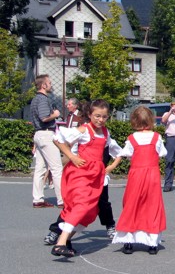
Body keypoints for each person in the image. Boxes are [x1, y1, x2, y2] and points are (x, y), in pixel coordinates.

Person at [50, 100, 122, 257]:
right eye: (97, 116)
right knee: (81, 205)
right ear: (90, 115)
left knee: (90, 211)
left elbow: (119, 152)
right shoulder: (83, 130)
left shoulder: (105, 133)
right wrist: (72, 156)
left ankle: (65, 239)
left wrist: (111, 166)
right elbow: (57, 138)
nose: (100, 120)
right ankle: (60, 243)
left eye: (104, 117)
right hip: (80, 173)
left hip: (95, 176)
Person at [113, 106, 167, 255]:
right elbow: (162, 153)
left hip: (136, 174)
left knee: (132, 204)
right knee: (153, 205)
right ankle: (152, 243)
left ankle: (129, 242)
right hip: (152, 175)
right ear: (150, 120)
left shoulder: (132, 138)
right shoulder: (156, 137)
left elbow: (126, 153)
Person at [30, 74, 64, 208]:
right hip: (46, 134)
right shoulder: (43, 100)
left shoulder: (34, 99)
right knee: (56, 168)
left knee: (40, 168)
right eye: (49, 83)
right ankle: (62, 200)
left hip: (38, 134)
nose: (51, 85)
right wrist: (55, 115)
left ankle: (37, 199)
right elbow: (44, 117)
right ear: (43, 85)